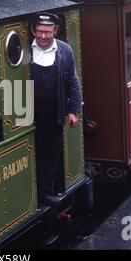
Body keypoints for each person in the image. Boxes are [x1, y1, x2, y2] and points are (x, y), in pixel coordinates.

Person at [30, 12, 81, 207]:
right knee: (35, 152)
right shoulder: (25, 50)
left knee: (50, 155)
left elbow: (73, 83)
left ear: (55, 31)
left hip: (54, 111)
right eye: (40, 32)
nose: (43, 37)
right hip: (31, 112)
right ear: (34, 31)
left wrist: (73, 111)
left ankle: (46, 193)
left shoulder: (65, 51)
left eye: (47, 32)